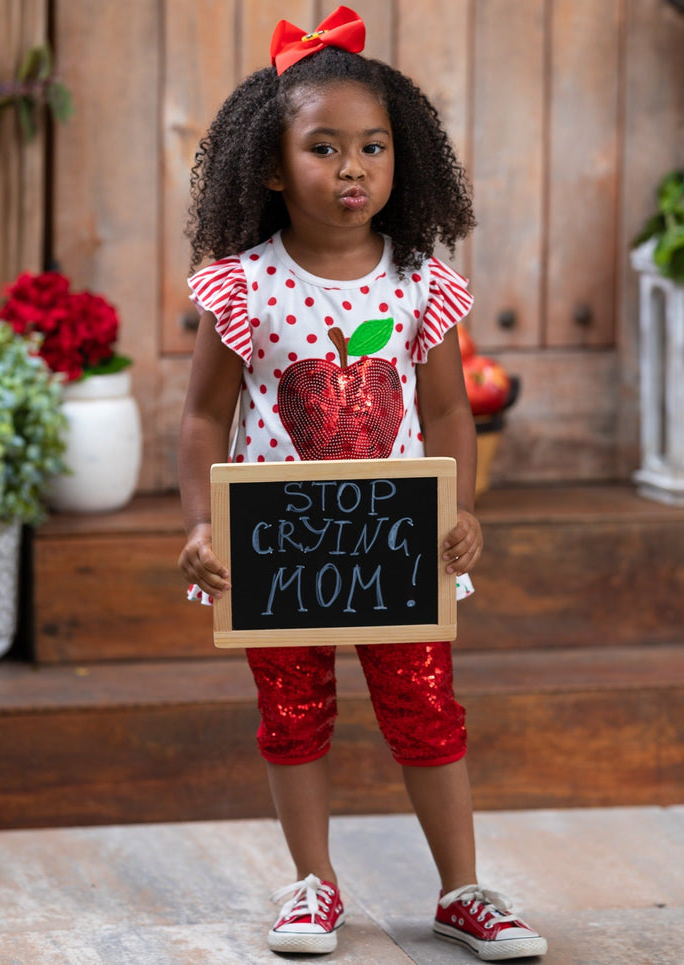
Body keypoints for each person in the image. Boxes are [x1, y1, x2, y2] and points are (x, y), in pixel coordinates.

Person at [178, 6, 547, 960]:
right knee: (294, 707)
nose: (353, 167)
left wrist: (459, 504)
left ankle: (463, 888)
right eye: (325, 146)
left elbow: (455, 411)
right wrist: (200, 524)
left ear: (402, 158)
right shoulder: (244, 287)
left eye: (373, 147)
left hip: (394, 537)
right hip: (279, 540)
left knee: (426, 702)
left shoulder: (420, 284)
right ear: (270, 164)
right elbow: (202, 418)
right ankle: (313, 885)